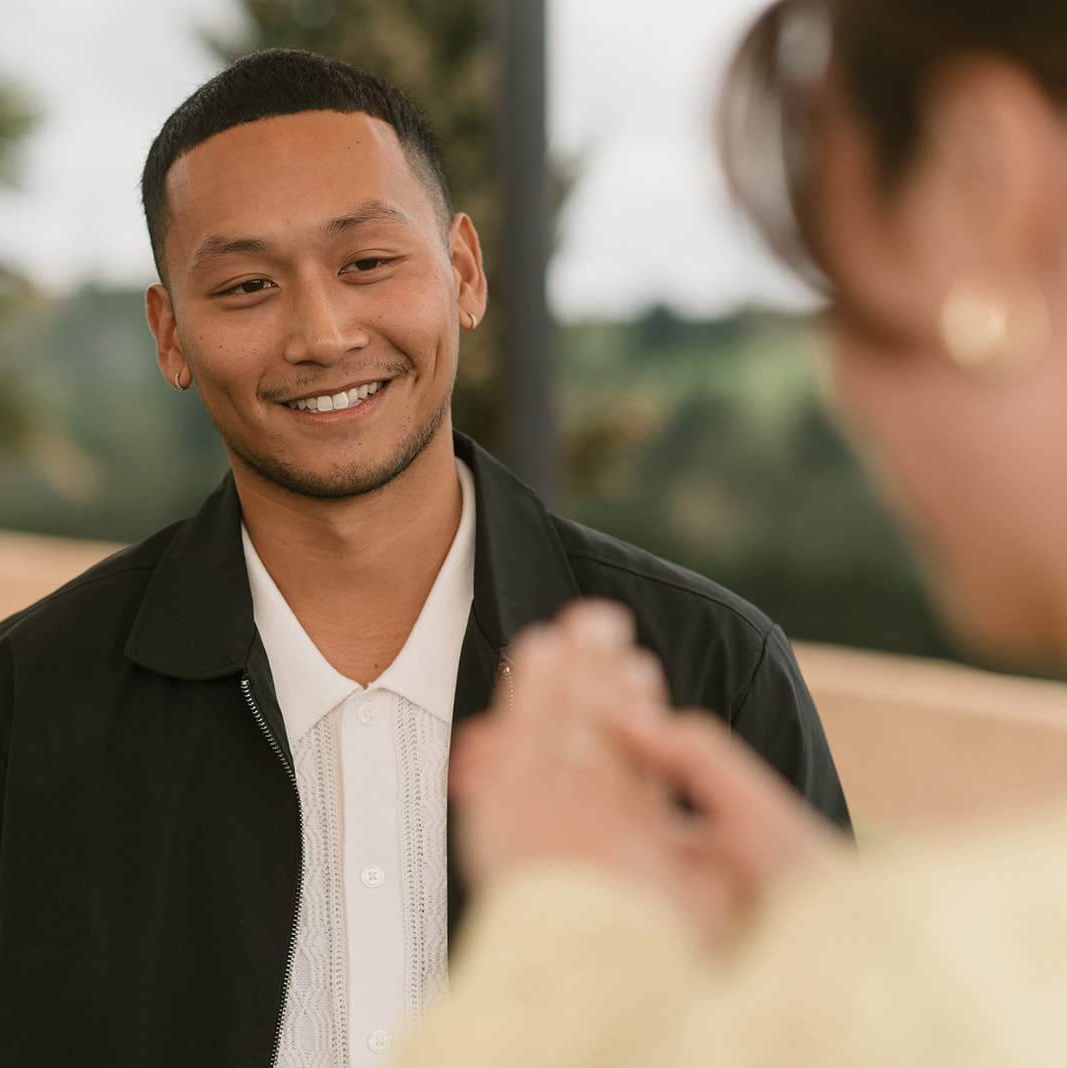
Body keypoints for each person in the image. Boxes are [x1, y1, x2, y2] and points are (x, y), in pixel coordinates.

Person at [0, 48, 849, 1067]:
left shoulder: (709, 674)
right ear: (171, 335)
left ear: (461, 272)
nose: (321, 335)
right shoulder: (24, 705)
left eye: (367, 263)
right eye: (244, 286)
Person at [402, 1, 1067, 1065]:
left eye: (837, 286)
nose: (849, 396)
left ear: (979, 180)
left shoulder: (934, 980)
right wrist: (842, 935)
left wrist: (570, 930)